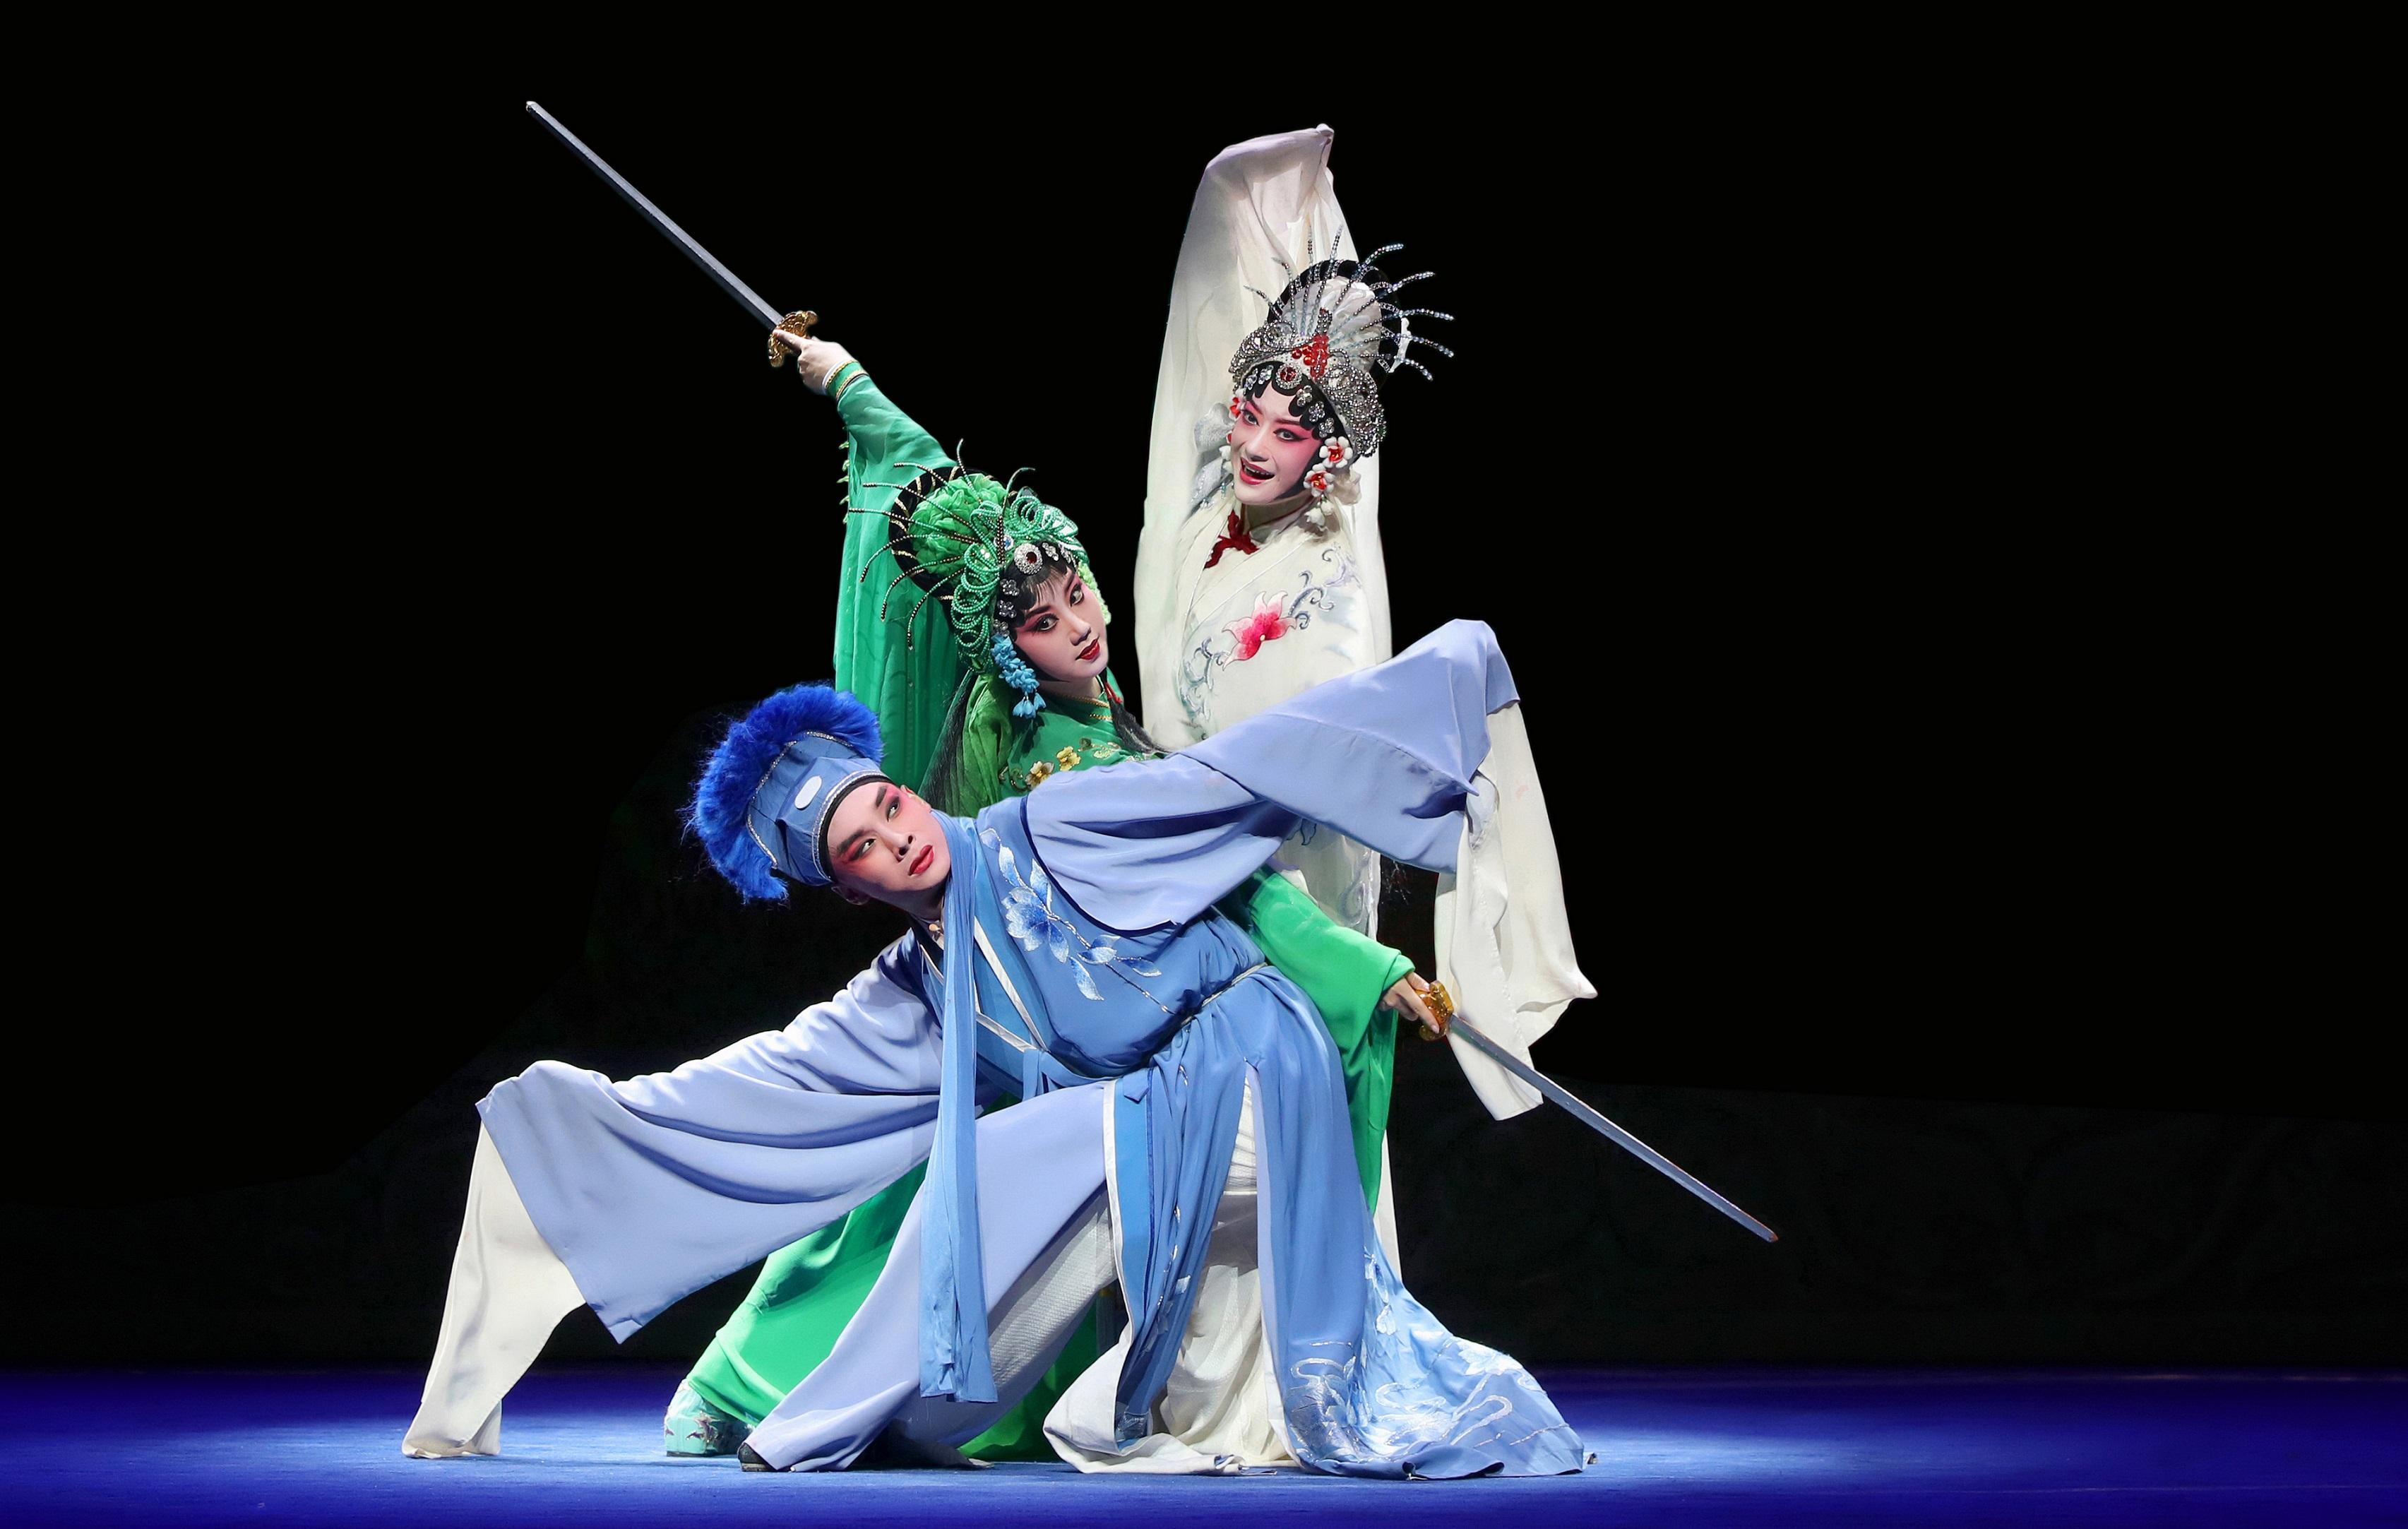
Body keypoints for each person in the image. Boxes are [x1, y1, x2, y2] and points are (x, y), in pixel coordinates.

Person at [402, 619, 1591, 1475]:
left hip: (1255, 1070)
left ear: (905, 790)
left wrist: (1437, 684)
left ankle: (824, 1428)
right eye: (862, 849)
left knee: (1011, 1158)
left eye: (889, 806)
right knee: (962, 1220)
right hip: (1161, 1128)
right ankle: (877, 1419)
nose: (897, 840)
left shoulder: (1052, 826)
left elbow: (1230, 778)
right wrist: (571, 1146)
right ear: (848, 888)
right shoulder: (914, 995)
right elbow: (768, 1089)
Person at [663, 345, 1435, 1457]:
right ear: (1009, 656)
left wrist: (848, 385)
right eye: (1043, 622)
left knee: (930, 1207)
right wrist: (1365, 969)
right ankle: (753, 1386)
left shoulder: (1071, 705)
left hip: (1063, 1011)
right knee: (920, 1210)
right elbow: (1233, 891)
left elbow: (930, 478)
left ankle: (771, 1384)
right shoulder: (1063, 763)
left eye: (1078, 590)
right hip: (1034, 1017)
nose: (1078, 622)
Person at [1133, 126, 1452, 938]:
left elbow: (1314, 766)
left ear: (1328, 455)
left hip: (1283, 886)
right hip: (1195, 860)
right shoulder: (1212, 514)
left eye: (1287, 433)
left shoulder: (1327, 589)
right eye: (1249, 415)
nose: (1252, 445)